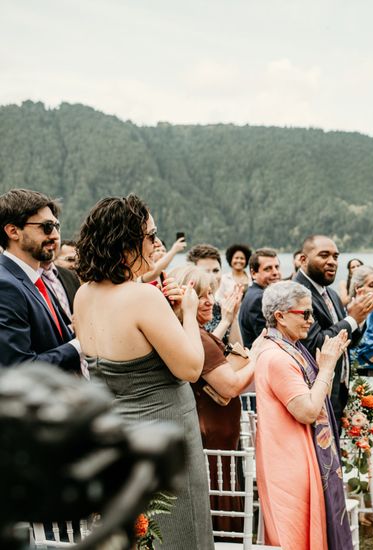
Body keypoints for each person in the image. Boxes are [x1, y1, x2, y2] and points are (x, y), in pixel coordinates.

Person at [72, 194, 213, 548]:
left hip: (119, 438)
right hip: (165, 436)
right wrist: (191, 315)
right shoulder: (142, 297)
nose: (156, 243)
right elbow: (192, 368)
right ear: (125, 243)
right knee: (182, 532)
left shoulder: (83, 295)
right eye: (150, 236)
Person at [253, 281, 354, 550]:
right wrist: (328, 367)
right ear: (280, 316)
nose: (312, 321)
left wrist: (325, 368)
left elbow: (313, 399)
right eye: (305, 314)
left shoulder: (289, 347)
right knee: (296, 536)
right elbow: (308, 411)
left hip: (297, 454)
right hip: (291, 462)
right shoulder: (277, 357)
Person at [170, 265, 255, 536]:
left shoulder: (194, 333)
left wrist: (228, 319)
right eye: (201, 294)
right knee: (219, 505)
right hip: (212, 438)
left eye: (211, 294)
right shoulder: (196, 337)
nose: (209, 300)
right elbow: (229, 386)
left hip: (216, 433)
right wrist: (260, 355)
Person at [294, 236, 373, 422]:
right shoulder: (297, 293)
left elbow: (349, 343)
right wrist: (352, 319)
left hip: (338, 392)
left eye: (335, 257)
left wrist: (360, 319)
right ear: (303, 259)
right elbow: (314, 343)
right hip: (313, 393)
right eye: (324, 255)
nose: (332, 262)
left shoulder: (332, 294)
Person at [0, 189, 81, 372]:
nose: (54, 235)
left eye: (56, 226)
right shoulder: (5, 286)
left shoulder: (34, 279)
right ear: (13, 231)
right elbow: (20, 368)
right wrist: (79, 345)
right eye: (46, 227)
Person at [189, 244, 243, 344]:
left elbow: (238, 349)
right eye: (205, 271)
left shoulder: (220, 306)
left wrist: (233, 317)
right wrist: (225, 322)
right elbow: (203, 354)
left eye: (216, 270)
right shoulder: (188, 309)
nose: (212, 276)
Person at [238, 248, 281, 347]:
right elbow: (269, 339)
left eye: (277, 267)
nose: (275, 272)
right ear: (253, 273)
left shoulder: (252, 292)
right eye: (268, 268)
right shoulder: (260, 298)